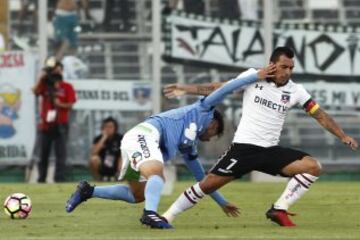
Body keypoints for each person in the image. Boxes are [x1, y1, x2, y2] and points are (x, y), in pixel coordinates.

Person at [162, 46, 359, 227]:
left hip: (270, 151)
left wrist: (342, 135)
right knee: (207, 185)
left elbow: (320, 114)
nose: (288, 72)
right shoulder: (252, 77)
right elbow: (220, 88)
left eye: (291, 68)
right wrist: (185, 88)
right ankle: (167, 216)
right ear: (272, 64)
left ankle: (279, 208)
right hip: (244, 149)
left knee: (312, 166)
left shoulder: (296, 91)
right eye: (284, 67)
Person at [65, 63, 276, 229]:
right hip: (145, 134)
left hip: (137, 142)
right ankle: (150, 215)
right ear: (213, 122)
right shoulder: (204, 108)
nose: (211, 137)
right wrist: (255, 76)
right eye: (214, 132)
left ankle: (88, 191)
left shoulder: (188, 147)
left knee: (137, 195)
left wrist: (222, 202)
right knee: (157, 175)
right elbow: (229, 87)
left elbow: (203, 180)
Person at [32, 57, 77, 182]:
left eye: (58, 70)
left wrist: (59, 104)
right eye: (54, 70)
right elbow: (35, 91)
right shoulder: (45, 85)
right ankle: (41, 179)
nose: (56, 73)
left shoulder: (67, 86)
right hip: (45, 125)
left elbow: (71, 103)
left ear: (62, 71)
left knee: (60, 154)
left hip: (61, 124)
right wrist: (42, 76)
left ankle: (59, 179)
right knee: (43, 154)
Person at [90, 117, 123, 181]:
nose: (108, 129)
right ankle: (98, 180)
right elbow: (93, 153)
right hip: (102, 165)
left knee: (123, 158)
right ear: (103, 128)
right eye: (106, 127)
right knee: (93, 159)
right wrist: (104, 138)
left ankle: (119, 178)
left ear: (115, 128)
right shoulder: (98, 138)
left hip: (116, 164)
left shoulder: (120, 138)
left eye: (111, 127)